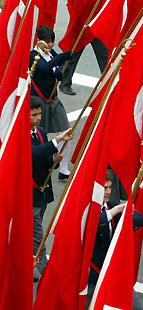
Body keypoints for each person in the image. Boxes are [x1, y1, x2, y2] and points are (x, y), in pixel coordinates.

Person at [87, 171, 143, 310]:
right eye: (105, 188)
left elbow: (140, 219)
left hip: (113, 272)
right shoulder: (87, 209)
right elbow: (94, 225)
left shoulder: (112, 206)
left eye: (110, 188)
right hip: (92, 275)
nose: (108, 192)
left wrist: (126, 215)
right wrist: (114, 212)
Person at [31, 96, 73, 280]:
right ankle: (48, 274)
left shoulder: (40, 132)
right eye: (34, 115)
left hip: (41, 191)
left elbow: (43, 159)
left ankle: (27, 262)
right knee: (37, 236)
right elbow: (33, 154)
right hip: (28, 195)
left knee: (31, 233)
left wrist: (54, 160)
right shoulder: (17, 134)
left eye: (39, 114)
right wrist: (56, 140)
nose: (39, 118)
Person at [30, 25, 73, 180]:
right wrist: (64, 57)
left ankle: (63, 169)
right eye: (47, 41)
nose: (50, 45)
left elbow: (61, 66)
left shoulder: (51, 53)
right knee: (41, 135)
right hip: (40, 101)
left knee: (65, 131)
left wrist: (61, 70)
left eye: (52, 41)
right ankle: (43, 163)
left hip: (53, 100)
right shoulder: (33, 55)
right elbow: (46, 67)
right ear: (39, 40)